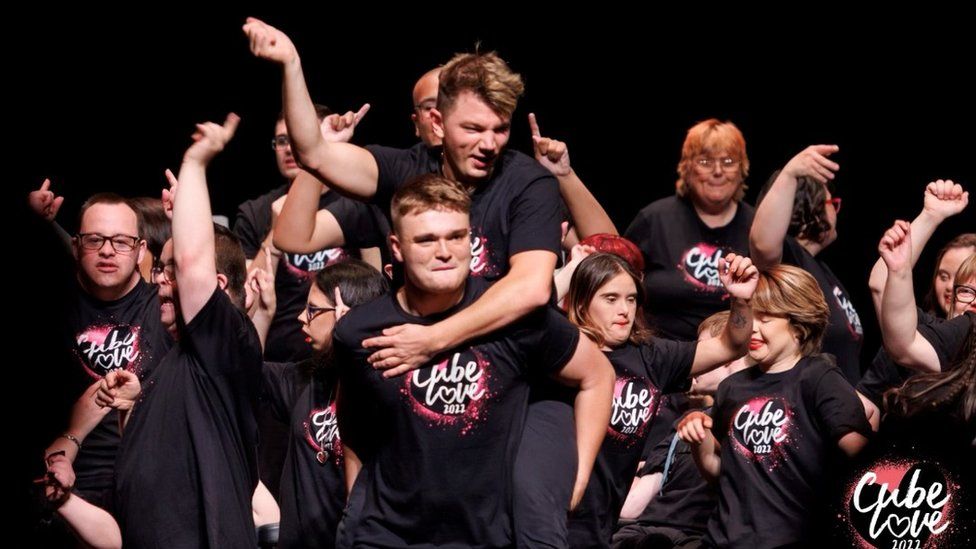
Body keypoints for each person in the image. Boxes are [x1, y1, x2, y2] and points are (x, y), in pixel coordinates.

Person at [332, 174, 615, 548]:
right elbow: (353, 424)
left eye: (456, 236)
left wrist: (576, 480)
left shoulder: (513, 317)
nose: (445, 251)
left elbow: (598, 375)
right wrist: (357, 497)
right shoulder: (358, 331)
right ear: (397, 248)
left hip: (484, 534)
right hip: (386, 533)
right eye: (427, 240)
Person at [114, 113, 265, 547]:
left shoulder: (226, 344)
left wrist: (196, 163)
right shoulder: (173, 355)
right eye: (160, 269)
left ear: (218, 289)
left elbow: (194, 264)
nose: (160, 279)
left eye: (170, 271)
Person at [562, 252, 756, 547]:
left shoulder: (651, 357)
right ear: (581, 303)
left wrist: (741, 300)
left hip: (603, 519)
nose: (624, 310)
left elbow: (732, 345)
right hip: (555, 508)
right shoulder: (562, 351)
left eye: (631, 299)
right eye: (611, 298)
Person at [678, 264, 872, 548]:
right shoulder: (732, 388)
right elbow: (721, 473)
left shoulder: (819, 378)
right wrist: (699, 439)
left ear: (799, 326)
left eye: (766, 318)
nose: (753, 327)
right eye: (751, 316)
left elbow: (867, 465)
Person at [40, 192, 172, 515]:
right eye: (95, 239)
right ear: (75, 246)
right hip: (68, 478)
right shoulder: (53, 308)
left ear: (141, 250)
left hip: (153, 481)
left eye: (122, 241)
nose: (108, 250)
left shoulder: (166, 307)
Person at [261, 259, 389, 548]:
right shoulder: (305, 379)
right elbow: (240, 367)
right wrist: (264, 314)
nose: (301, 319)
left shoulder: (391, 386)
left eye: (314, 310)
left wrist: (351, 346)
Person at [613, 312, 752, 549]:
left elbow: (633, 505)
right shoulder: (686, 422)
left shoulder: (750, 424)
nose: (693, 362)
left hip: (697, 538)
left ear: (727, 358)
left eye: (702, 351)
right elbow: (634, 504)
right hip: (648, 534)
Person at [624, 119, 755, 342]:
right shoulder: (654, 219)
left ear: (742, 169)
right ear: (687, 167)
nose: (717, 171)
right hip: (660, 358)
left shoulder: (757, 227)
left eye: (728, 161)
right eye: (705, 161)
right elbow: (617, 282)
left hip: (736, 361)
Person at [750, 145, 865, 383]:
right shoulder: (790, 258)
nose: (837, 209)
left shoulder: (822, 270)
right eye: (832, 202)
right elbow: (762, 243)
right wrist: (790, 174)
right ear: (809, 208)